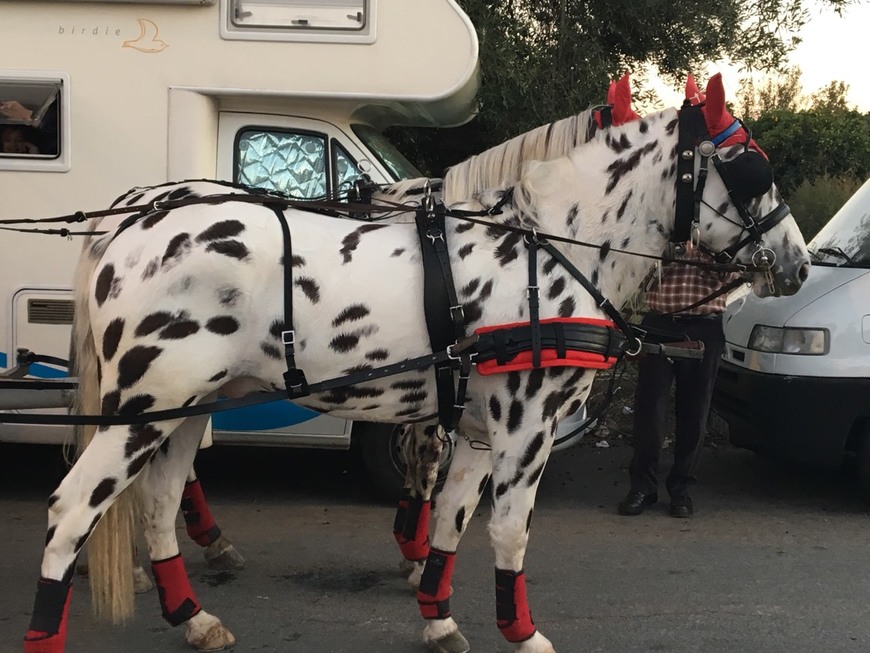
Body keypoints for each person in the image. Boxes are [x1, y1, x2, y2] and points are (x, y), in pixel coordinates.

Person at [617, 249, 737, 518]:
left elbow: (731, 275)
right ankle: (642, 488)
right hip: (660, 321)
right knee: (649, 409)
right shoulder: (662, 234)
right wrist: (667, 255)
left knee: (694, 412)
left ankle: (681, 490)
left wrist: (710, 253)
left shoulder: (720, 235)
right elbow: (638, 275)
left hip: (705, 325)